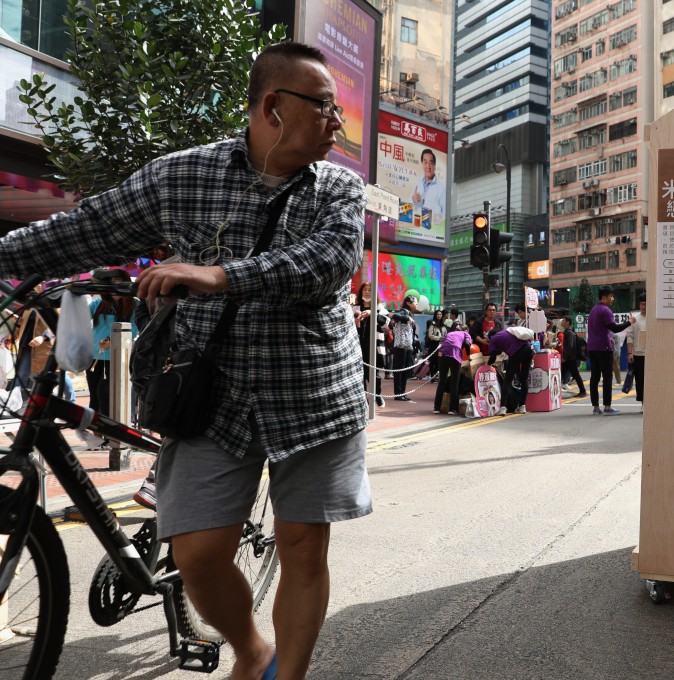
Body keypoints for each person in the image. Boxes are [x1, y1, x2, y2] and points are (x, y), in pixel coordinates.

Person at [0, 42, 371, 680]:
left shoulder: (339, 186)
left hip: (315, 395)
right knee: (197, 556)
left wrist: (217, 275)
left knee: (304, 547)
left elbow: (327, 264)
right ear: (274, 107)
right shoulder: (181, 175)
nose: (337, 124)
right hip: (211, 395)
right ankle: (252, 648)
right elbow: (85, 230)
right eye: (325, 108)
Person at [86, 268, 139, 419]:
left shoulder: (135, 304)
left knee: (113, 397)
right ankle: (97, 433)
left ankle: (113, 434)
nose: (116, 286)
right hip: (95, 357)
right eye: (112, 282)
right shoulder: (98, 303)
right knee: (94, 396)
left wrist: (112, 341)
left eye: (119, 282)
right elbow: (81, 318)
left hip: (118, 358)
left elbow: (133, 330)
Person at [587, 286, 634, 415]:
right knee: (607, 377)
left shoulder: (593, 310)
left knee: (594, 378)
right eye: (611, 296)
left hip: (592, 347)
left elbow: (599, 329)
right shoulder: (606, 310)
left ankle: (596, 407)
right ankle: (607, 407)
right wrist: (629, 322)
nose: (612, 299)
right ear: (605, 297)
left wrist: (608, 337)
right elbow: (615, 328)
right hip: (604, 348)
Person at [487, 327, 535, 415]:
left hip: (516, 353)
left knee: (508, 380)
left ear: (491, 336)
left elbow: (493, 357)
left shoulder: (493, 339)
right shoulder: (508, 332)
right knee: (523, 379)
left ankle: (503, 407)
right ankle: (522, 406)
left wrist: (487, 365)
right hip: (528, 351)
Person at [433, 321, 472, 415]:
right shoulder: (466, 334)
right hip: (454, 355)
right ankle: (452, 409)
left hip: (442, 355)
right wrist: (469, 355)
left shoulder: (450, 333)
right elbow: (467, 344)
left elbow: (442, 342)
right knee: (455, 383)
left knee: (442, 381)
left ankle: (436, 408)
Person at [389, 294, 419, 402]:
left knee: (405, 371)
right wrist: (406, 318)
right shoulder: (404, 311)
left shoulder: (410, 314)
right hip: (400, 346)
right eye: (415, 302)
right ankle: (398, 394)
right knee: (399, 370)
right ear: (408, 303)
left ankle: (402, 393)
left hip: (407, 346)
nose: (417, 304)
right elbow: (394, 315)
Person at [411, 148, 445, 229]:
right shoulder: (417, 184)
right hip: (415, 230)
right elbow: (407, 209)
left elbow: (445, 215)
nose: (428, 166)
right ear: (422, 164)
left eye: (431, 163)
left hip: (432, 233)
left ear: (435, 166)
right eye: (425, 162)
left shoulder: (441, 189)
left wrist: (436, 223)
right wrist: (414, 201)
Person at [626, 292, 647, 412]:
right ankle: (643, 403)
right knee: (640, 380)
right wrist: (630, 353)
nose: (644, 307)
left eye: (646, 304)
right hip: (638, 354)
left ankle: (651, 402)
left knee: (651, 380)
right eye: (642, 304)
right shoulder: (634, 319)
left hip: (652, 355)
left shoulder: (654, 318)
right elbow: (630, 336)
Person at [559, 316, 587, 398]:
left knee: (575, 375)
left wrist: (565, 356)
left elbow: (570, 346)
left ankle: (583, 391)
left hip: (570, 358)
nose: (562, 322)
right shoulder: (568, 332)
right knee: (561, 373)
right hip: (570, 358)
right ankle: (582, 391)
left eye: (563, 320)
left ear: (567, 322)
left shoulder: (569, 333)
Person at [425, 308, 446, 380]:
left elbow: (445, 334)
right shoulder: (432, 324)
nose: (439, 316)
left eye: (440, 314)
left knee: (439, 360)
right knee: (433, 361)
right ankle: (432, 375)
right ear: (435, 315)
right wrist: (439, 338)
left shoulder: (443, 325)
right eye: (438, 314)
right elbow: (430, 335)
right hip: (434, 345)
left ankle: (437, 375)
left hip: (441, 345)